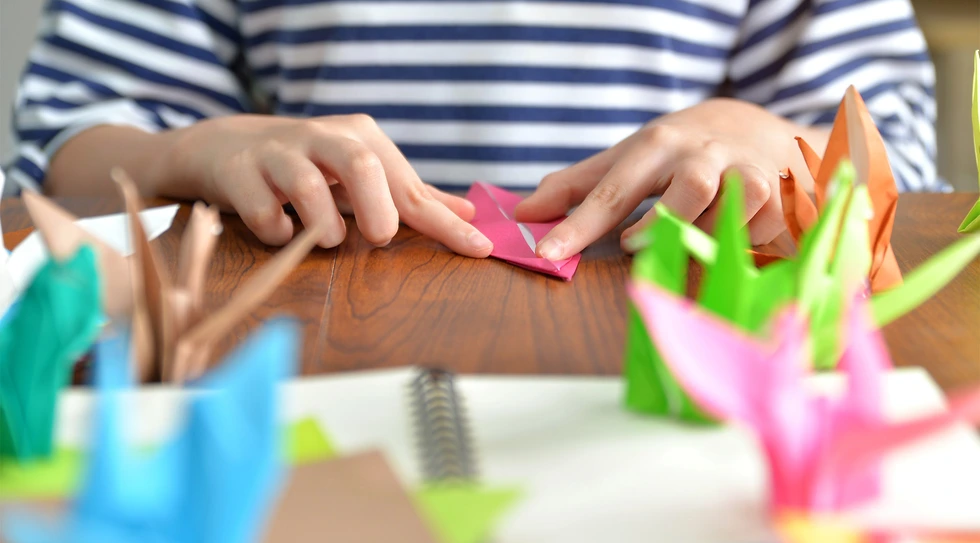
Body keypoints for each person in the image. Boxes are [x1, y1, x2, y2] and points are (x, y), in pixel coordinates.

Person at [6, 0, 937, 262]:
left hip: (663, 330)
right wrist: (188, 150)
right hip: (310, 325)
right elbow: (62, 153)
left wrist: (763, 135)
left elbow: (895, 150)